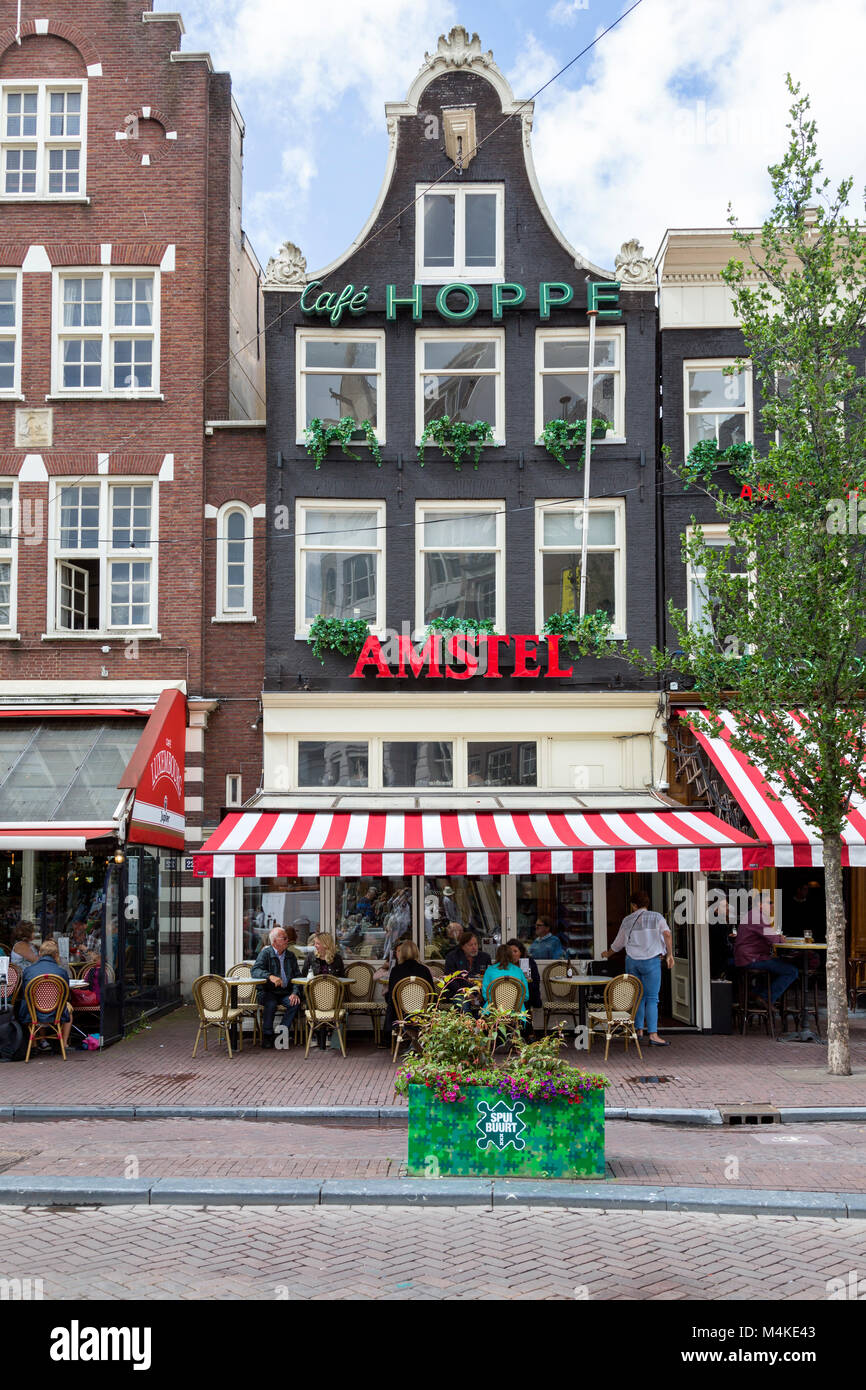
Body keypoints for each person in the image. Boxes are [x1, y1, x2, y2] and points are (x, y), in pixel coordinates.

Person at [603, 889, 673, 1046]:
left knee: (637, 997)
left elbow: (618, 943)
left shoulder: (627, 920)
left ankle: (639, 1030)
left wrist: (608, 953)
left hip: (632, 961)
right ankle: (653, 1035)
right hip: (651, 961)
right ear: (647, 903)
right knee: (652, 998)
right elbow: (667, 934)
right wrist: (670, 954)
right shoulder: (657, 917)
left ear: (634, 905)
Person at [733, 903, 799, 1007]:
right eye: (769, 903)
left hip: (748, 957)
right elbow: (773, 938)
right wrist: (781, 938)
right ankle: (765, 998)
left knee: (778, 966)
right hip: (750, 959)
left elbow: (765, 936)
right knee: (792, 971)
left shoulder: (753, 915)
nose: (773, 906)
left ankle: (755, 993)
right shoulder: (757, 917)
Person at [251, 926, 302, 1049]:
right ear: (275, 941)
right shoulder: (265, 953)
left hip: (286, 991)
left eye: (287, 937)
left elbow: (298, 977)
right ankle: (267, 1035)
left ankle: (280, 1034)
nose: (287, 940)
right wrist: (270, 977)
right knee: (270, 1003)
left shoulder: (290, 955)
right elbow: (255, 971)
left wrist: (295, 992)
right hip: (268, 991)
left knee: (294, 1003)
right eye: (284, 938)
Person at [19, 939, 72, 1051]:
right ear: (56, 955)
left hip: (33, 1013)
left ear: (39, 953)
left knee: (27, 1003)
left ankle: (34, 1044)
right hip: (56, 1012)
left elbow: (25, 993)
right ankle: (64, 1043)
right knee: (69, 1007)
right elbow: (66, 995)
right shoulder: (61, 972)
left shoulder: (28, 970)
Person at [381, 940, 433, 1047]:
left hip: (402, 1014)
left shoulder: (396, 971)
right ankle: (420, 1041)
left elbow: (392, 995)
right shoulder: (424, 970)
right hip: (422, 1014)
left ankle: (401, 1041)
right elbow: (432, 994)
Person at [303, 932, 346, 1049]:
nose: (315, 946)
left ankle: (329, 1034)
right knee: (310, 1002)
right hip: (314, 996)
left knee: (337, 1003)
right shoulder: (311, 957)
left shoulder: (336, 959)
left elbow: (342, 978)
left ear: (326, 945)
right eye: (315, 943)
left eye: (317, 943)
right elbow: (304, 976)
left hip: (333, 996)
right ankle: (315, 1035)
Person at [481, 945, 529, 1012]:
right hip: (516, 1012)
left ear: (497, 955)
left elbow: (485, 995)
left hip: (493, 1012)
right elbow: (526, 996)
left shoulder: (490, 970)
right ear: (511, 955)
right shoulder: (518, 971)